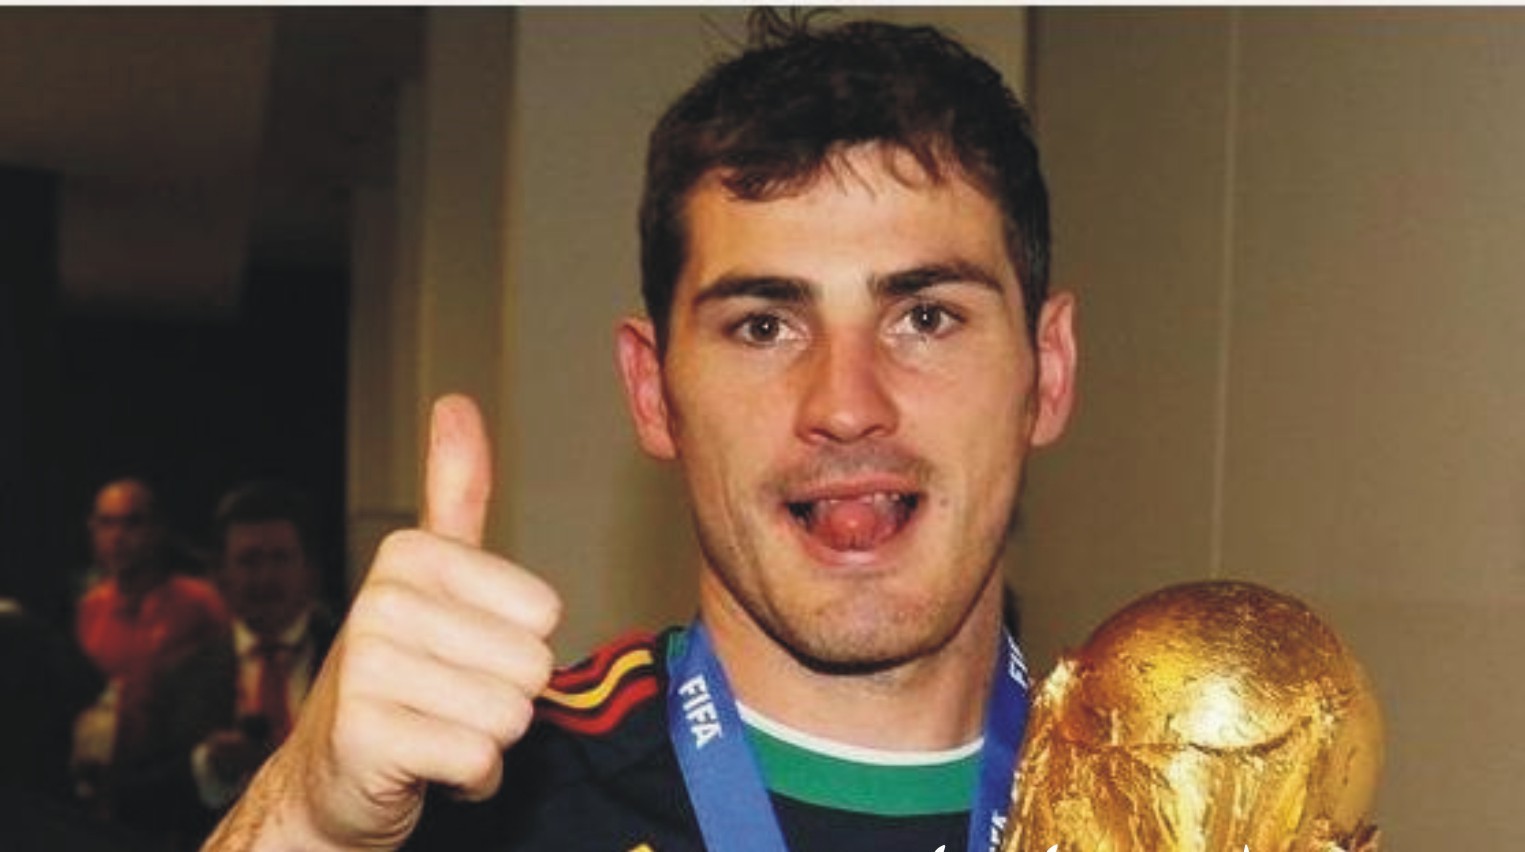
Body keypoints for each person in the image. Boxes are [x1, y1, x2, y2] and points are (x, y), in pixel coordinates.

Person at [208, 13, 1077, 851]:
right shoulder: (479, 801)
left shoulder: (1149, 794)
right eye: (764, 327)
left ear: (1046, 370)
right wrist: (308, 822)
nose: (846, 406)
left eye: (925, 318)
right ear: (652, 391)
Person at [114, 481, 337, 847]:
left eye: (280, 559)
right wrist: (207, 767)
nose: (265, 578)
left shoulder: (355, 668)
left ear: (311, 571)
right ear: (220, 576)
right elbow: (131, 800)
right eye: (249, 561)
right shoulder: (179, 679)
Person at [73, 478, 230, 815]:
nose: (118, 537)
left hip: (180, 786)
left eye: (132, 523)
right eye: (107, 523)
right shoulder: (90, 608)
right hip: (106, 784)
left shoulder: (200, 603)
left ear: (157, 530)